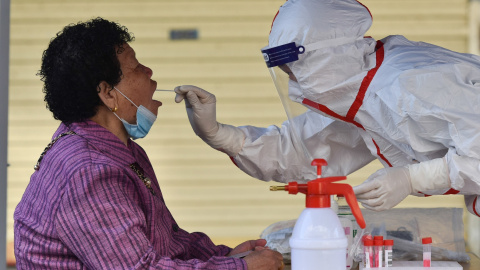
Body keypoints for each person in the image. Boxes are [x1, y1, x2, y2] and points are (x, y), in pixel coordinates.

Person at [13, 17, 284, 269]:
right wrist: (243, 266)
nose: (149, 71)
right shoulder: (89, 172)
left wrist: (222, 255)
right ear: (109, 94)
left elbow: (167, 240)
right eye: (136, 67)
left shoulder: (119, 151)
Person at [174, 0, 480, 217]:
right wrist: (222, 136)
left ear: (325, 57)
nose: (292, 81)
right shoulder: (366, 92)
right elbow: (310, 150)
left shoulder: (410, 83)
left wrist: (412, 179)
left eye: (294, 68)